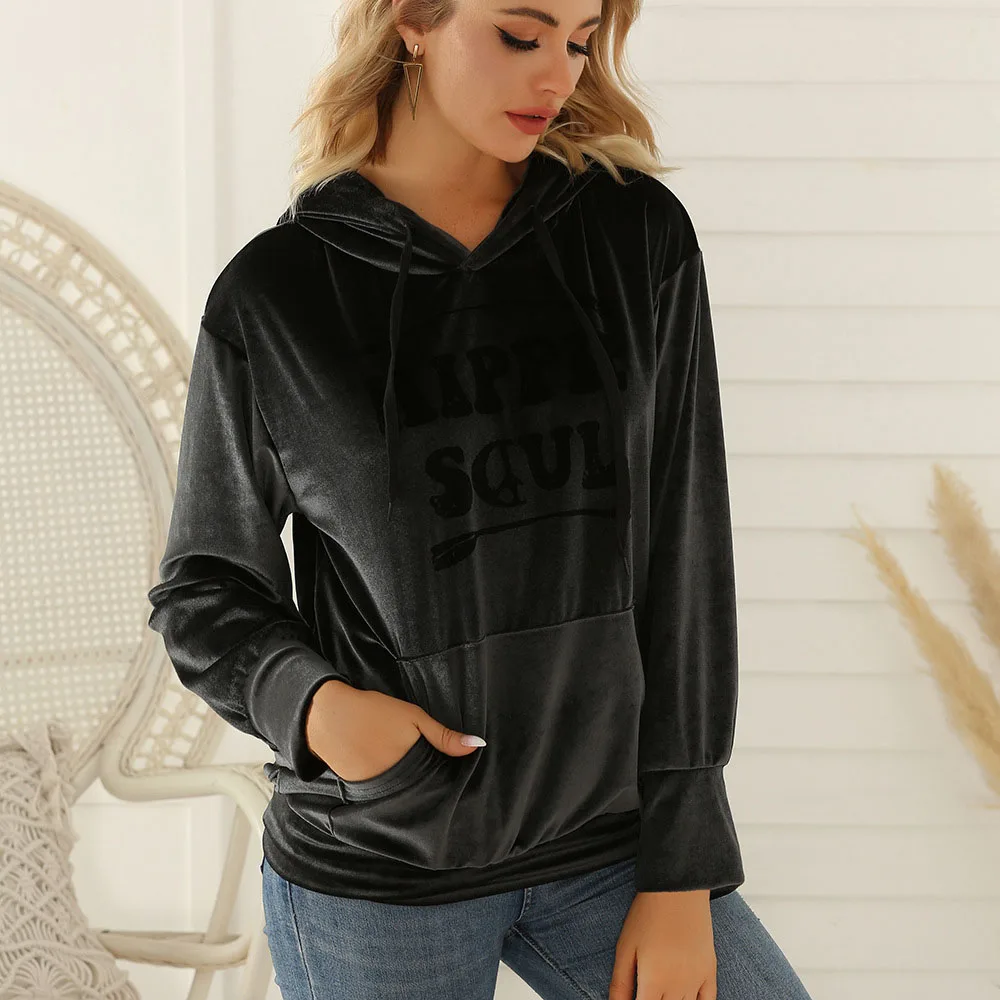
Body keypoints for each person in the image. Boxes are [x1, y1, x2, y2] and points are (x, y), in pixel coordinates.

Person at [146, 0, 815, 995]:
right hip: (380, 862)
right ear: (412, 23)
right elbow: (204, 586)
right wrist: (323, 711)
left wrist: (684, 867)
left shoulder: (631, 241)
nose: (559, 76)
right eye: (520, 34)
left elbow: (687, 555)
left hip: (610, 846)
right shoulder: (280, 294)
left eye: (580, 41)